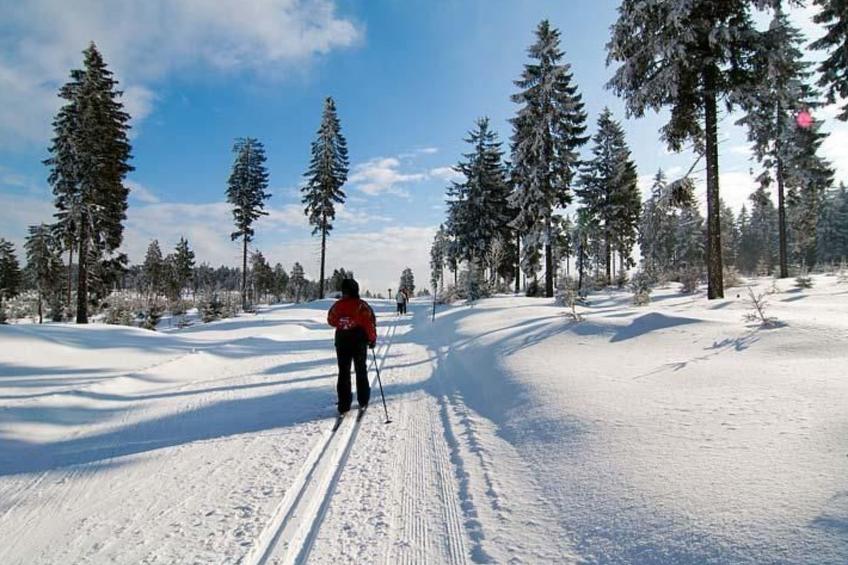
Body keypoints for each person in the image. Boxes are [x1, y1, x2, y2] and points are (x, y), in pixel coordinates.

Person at [328, 278, 376, 413]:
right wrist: (372, 339)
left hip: (342, 340)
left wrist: (342, 322)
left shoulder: (337, 305)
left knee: (343, 371)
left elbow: (331, 320)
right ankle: (363, 399)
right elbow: (369, 323)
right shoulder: (361, 305)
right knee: (361, 369)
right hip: (359, 341)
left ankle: (344, 405)